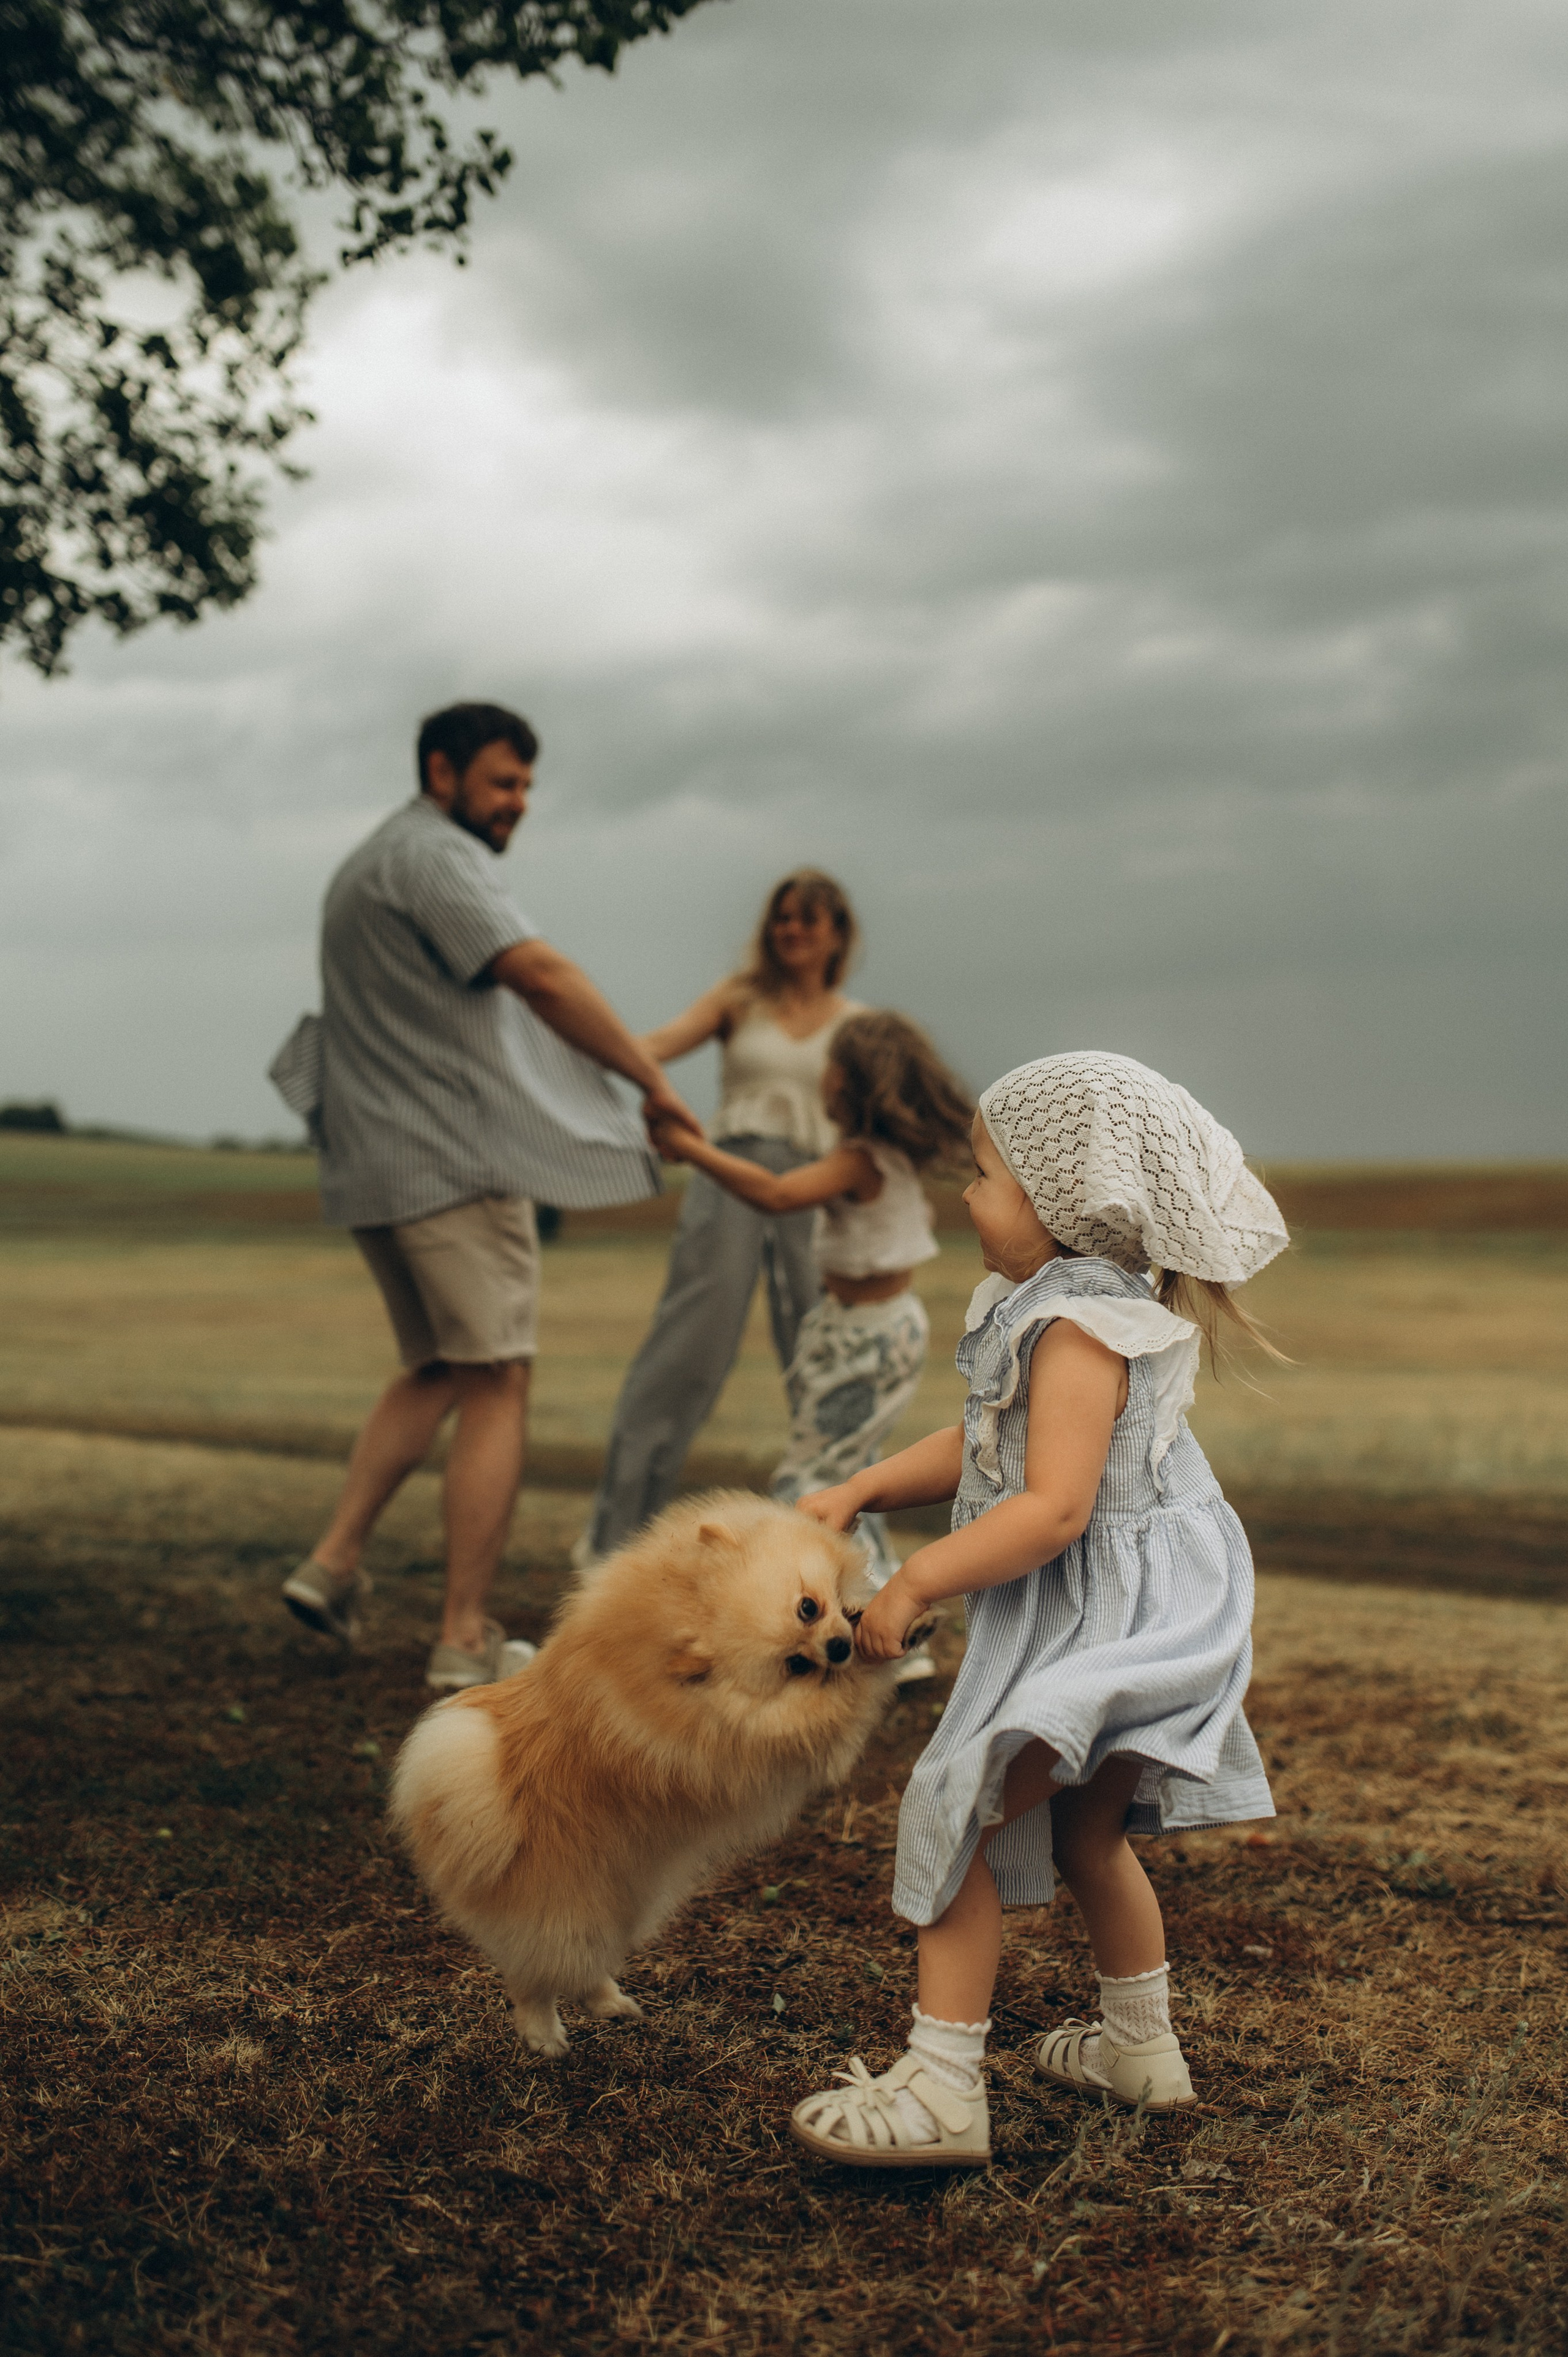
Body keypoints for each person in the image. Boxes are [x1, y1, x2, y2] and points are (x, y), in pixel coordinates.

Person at [784, 1052, 1289, 2168]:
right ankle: (1139, 2048)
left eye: (985, 1174)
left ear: (1062, 1202)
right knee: (1087, 1832)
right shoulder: (1079, 1309)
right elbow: (986, 1449)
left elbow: (1053, 1507)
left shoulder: (1075, 1330)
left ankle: (943, 2083)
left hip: (1111, 1621)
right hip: (1146, 1607)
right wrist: (867, 1483)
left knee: (962, 1805)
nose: (967, 1195)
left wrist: (918, 1577)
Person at [267, 701, 695, 1691]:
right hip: (450, 1167)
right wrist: (651, 1081)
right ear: (441, 769)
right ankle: (464, 1637)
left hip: (375, 1167)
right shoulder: (434, 858)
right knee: (499, 1377)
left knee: (437, 1368)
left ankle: (330, 1566)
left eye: (528, 786)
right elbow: (537, 973)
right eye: (505, 782)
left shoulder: (365, 862)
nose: (519, 803)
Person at [650, 1011, 971, 1681]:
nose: (817, 1077)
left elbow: (775, 1193)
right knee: (844, 1469)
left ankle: (887, 1629)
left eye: (829, 1065)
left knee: (816, 1482)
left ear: (851, 1081)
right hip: (865, 1327)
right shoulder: (883, 1153)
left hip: (867, 1334)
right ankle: (884, 1620)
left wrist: (695, 1150)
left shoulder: (859, 1159)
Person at [579, 870, 864, 1562]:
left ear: (836, 934)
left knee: (823, 1356)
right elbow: (655, 1046)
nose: (790, 930)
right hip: (728, 1180)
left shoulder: (856, 1025)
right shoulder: (740, 1000)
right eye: (781, 918)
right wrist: (584, 1049)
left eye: (806, 919)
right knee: (684, 1353)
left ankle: (849, 1554)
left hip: (812, 1190)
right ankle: (614, 1545)